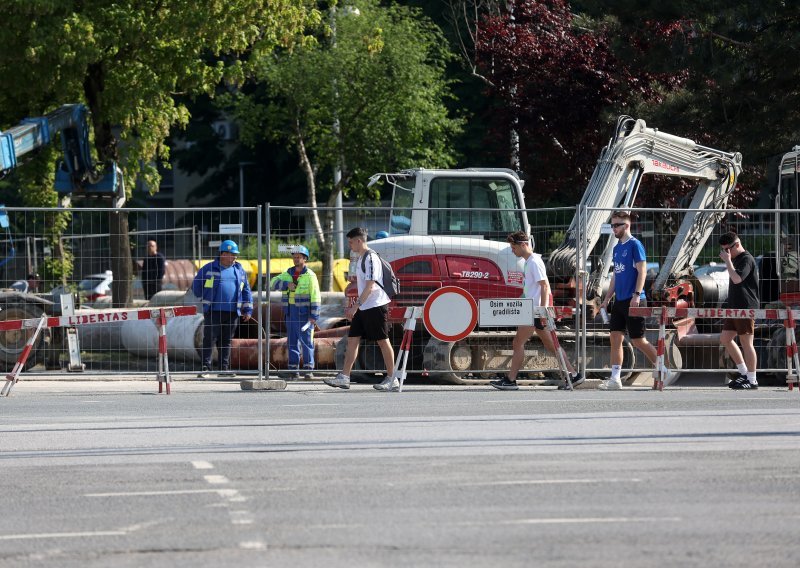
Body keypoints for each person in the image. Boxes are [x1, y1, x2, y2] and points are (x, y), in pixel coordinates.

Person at [490, 231, 584, 390]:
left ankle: (511, 380)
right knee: (552, 346)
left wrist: (543, 310)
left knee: (518, 342)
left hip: (535, 311)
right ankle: (573, 375)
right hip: (534, 310)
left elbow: (544, 286)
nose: (512, 251)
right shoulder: (530, 261)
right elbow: (534, 288)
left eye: (513, 247)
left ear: (523, 245)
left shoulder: (534, 261)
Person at [599, 211, 676, 389]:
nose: (613, 229)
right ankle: (615, 378)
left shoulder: (635, 245)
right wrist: (607, 298)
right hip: (619, 300)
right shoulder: (617, 247)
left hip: (634, 299)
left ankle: (663, 368)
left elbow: (642, 271)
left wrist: (636, 294)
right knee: (615, 338)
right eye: (612, 225)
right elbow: (615, 276)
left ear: (627, 225)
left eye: (616, 225)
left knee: (638, 340)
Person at [324, 227, 396, 391]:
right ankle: (344, 377)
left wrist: (355, 306)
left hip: (375, 305)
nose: (349, 245)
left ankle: (392, 379)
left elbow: (370, 286)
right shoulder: (361, 258)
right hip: (364, 306)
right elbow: (364, 284)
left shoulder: (370, 258)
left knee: (383, 341)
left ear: (359, 241)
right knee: (352, 339)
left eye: (350, 242)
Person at [192, 240, 253, 378]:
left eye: (235, 255)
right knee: (209, 339)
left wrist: (248, 309)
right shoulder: (209, 268)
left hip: (232, 312)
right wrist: (203, 299)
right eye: (232, 254)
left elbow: (246, 291)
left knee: (226, 341)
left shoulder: (239, 270)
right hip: (213, 311)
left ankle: (223, 369)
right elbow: (196, 286)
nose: (234, 257)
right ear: (223, 254)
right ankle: (205, 368)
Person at [270, 245, 321, 380]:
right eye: (294, 257)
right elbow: (271, 283)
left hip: (304, 314)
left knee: (307, 342)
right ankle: (293, 370)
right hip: (290, 312)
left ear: (305, 259)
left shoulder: (310, 276)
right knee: (292, 341)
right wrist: (286, 285)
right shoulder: (287, 274)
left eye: (298, 257)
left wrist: (314, 315)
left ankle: (308, 370)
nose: (296, 259)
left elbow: (316, 296)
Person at [719, 231, 759, 389]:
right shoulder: (735, 259)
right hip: (735, 307)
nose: (725, 253)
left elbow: (737, 279)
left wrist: (728, 262)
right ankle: (743, 373)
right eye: (722, 251)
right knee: (725, 338)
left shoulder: (746, 259)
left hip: (745, 307)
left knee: (746, 342)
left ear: (736, 245)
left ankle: (752, 379)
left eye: (727, 250)